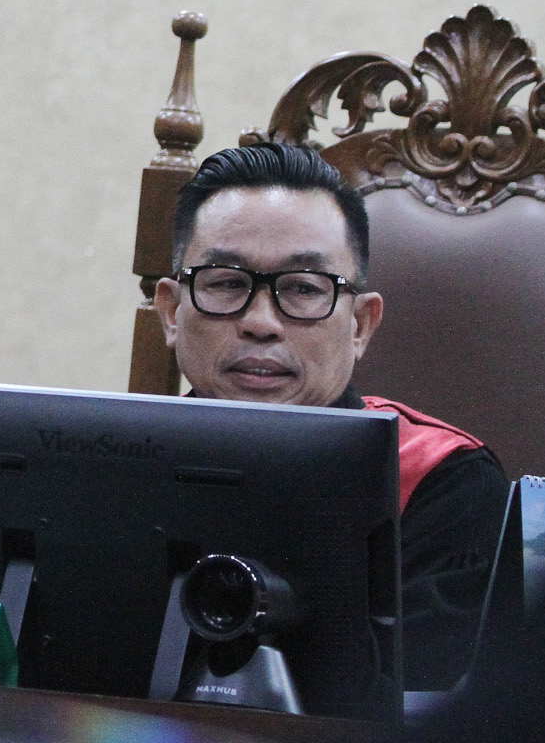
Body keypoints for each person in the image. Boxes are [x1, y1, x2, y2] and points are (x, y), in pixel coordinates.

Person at [155, 141, 507, 690]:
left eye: (303, 288)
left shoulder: (441, 482)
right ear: (173, 313)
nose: (261, 322)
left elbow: (419, 705)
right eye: (226, 283)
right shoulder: (102, 462)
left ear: (361, 325)